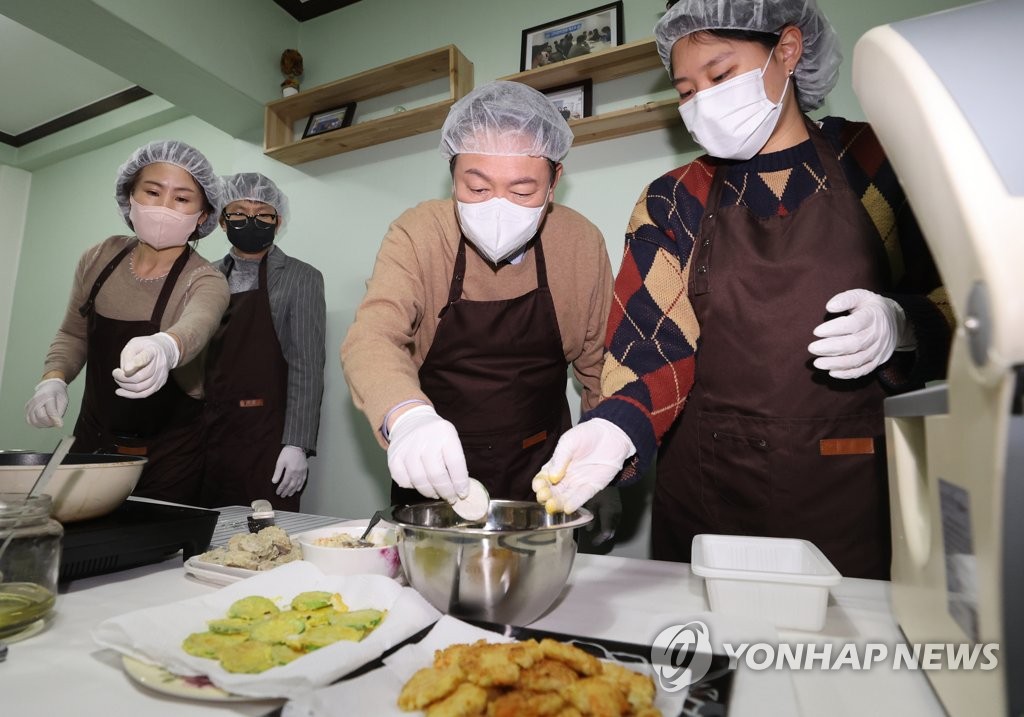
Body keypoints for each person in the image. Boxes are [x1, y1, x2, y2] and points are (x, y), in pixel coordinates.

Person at [533, 0, 953, 579]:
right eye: (685, 91)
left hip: (852, 484)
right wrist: (614, 427)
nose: (702, 100)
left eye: (720, 75)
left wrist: (904, 325)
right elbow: (652, 340)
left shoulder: (878, 162)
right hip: (709, 488)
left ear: (786, 49)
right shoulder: (674, 197)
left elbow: (974, 304)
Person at [341, 80, 615, 525]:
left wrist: (606, 466)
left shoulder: (580, 242)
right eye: (477, 189)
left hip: (546, 469)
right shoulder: (420, 233)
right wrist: (407, 419)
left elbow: (600, 365)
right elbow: (373, 337)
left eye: (523, 191)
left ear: (554, 181)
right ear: (452, 176)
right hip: (434, 470)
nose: (499, 208)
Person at [25, 140, 230, 503]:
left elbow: (200, 321)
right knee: (77, 544)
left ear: (202, 216)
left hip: (169, 454)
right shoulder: (99, 257)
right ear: (129, 196)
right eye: (152, 191)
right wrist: (53, 379)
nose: (165, 207)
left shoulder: (205, 279)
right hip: (92, 438)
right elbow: (74, 332)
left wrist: (166, 347)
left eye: (182, 199)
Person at [200, 173, 326, 512]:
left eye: (263, 214)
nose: (250, 221)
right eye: (238, 212)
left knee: (268, 545)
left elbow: (307, 366)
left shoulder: (302, 277)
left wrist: (297, 444)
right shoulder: (203, 277)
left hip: (268, 439)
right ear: (223, 221)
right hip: (208, 434)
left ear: (278, 221)